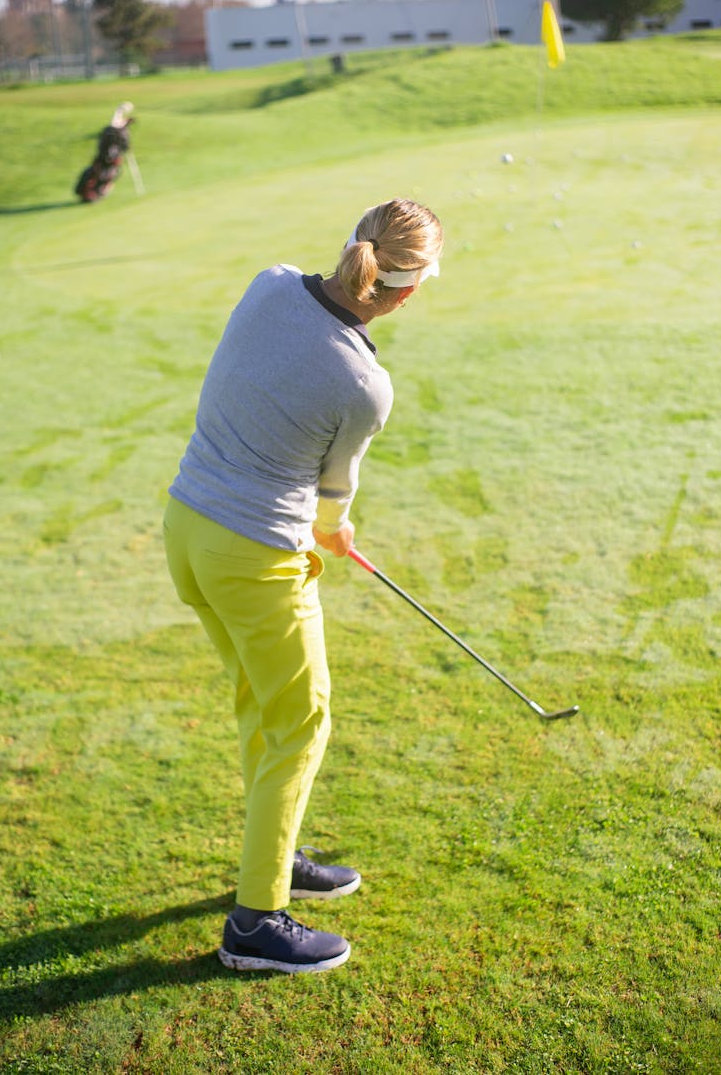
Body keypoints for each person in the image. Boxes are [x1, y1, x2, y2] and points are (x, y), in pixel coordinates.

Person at [163, 198, 443, 974]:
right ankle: (256, 923)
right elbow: (334, 491)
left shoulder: (268, 283)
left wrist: (324, 523)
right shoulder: (365, 383)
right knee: (302, 722)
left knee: (263, 704)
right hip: (254, 555)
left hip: (186, 530)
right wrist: (337, 528)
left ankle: (275, 858)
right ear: (410, 289)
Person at [74, 101, 134, 203]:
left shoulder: (117, 133)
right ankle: (93, 194)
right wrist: (120, 110)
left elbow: (122, 145)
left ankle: (97, 194)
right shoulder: (111, 132)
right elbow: (114, 126)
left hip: (108, 164)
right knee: (101, 177)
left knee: (109, 177)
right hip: (103, 163)